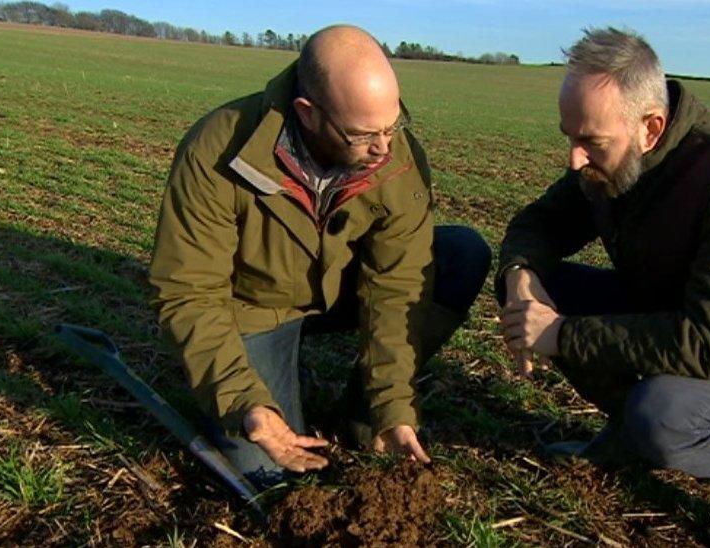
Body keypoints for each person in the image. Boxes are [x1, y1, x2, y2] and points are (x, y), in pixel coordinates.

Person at [497, 27, 710, 548]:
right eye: (569, 137)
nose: (575, 159)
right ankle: (628, 435)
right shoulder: (611, 162)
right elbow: (539, 224)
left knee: (663, 411)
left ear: (650, 127)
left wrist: (562, 336)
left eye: (590, 142)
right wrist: (521, 279)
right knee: (545, 290)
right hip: (668, 308)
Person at [149, 25, 490, 488]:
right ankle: (266, 386)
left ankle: (364, 413)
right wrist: (245, 403)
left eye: (393, 126)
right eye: (363, 134)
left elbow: (398, 285)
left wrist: (392, 406)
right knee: (267, 471)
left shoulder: (395, 156)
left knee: (460, 253)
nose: (383, 149)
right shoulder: (217, 150)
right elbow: (189, 291)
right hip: (254, 307)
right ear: (308, 114)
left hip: (339, 288)